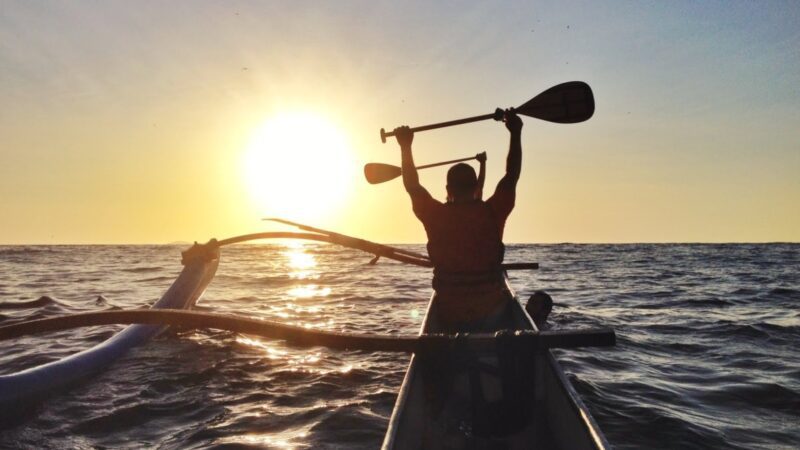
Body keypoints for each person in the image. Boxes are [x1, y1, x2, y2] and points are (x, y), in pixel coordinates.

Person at [393, 109, 523, 332]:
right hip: (491, 312)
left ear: (448, 190)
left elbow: (412, 186)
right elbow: (511, 176)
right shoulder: (493, 211)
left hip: (449, 314)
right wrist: (515, 132)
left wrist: (405, 146)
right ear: (476, 188)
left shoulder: (434, 214)